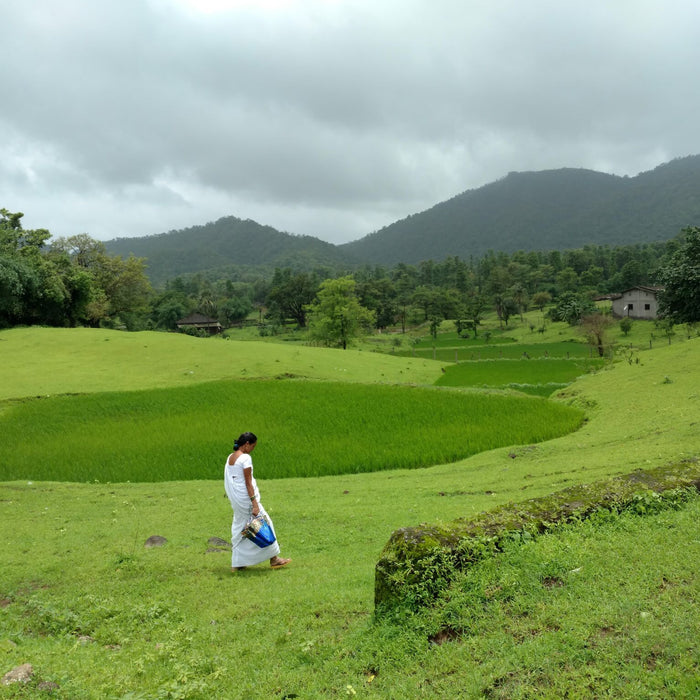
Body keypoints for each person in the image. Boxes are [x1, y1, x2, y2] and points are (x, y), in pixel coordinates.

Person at [224, 432, 291, 571]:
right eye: (253, 446)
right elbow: (248, 483)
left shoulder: (230, 457)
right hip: (247, 501)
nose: (253, 449)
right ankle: (274, 559)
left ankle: (238, 564)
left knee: (240, 528)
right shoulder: (245, 458)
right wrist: (254, 504)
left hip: (237, 502)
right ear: (247, 444)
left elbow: (233, 480)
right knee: (265, 524)